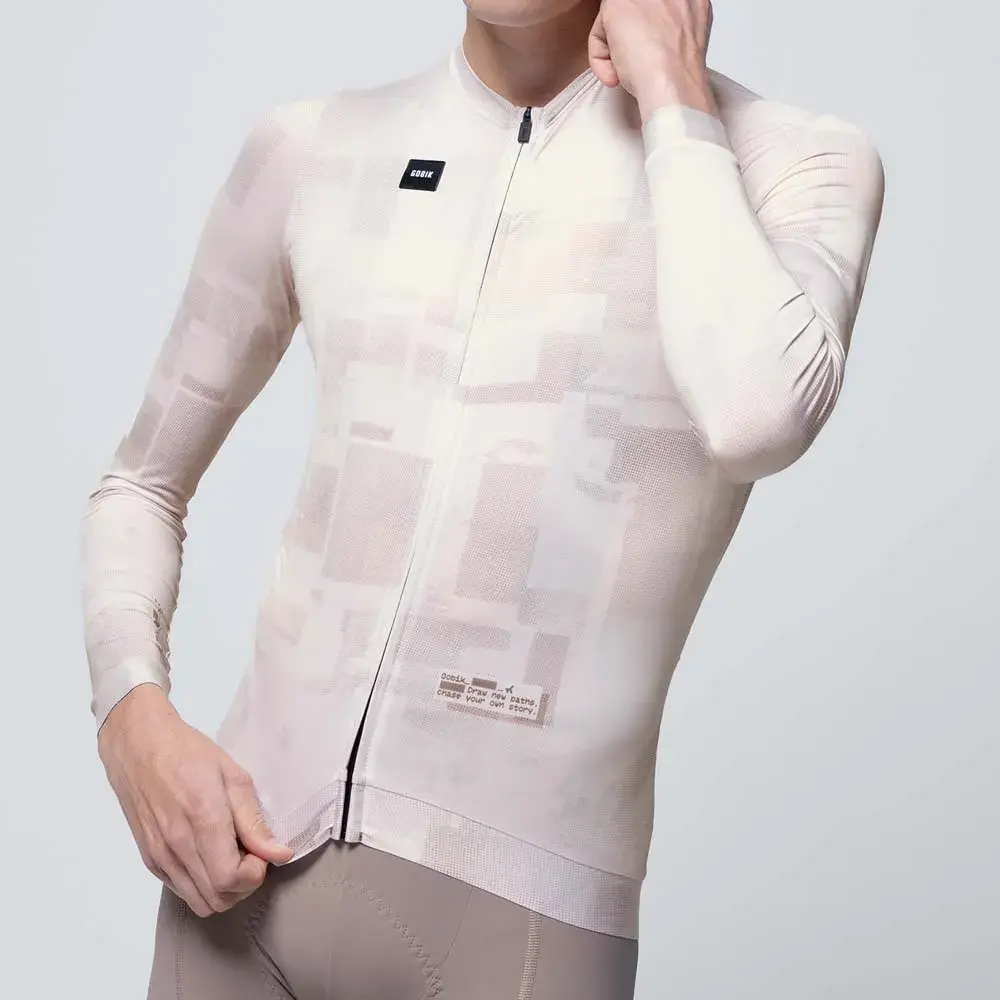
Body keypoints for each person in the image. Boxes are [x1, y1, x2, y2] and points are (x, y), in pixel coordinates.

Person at [79, 0, 885, 996]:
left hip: (520, 925)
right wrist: (132, 717)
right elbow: (141, 483)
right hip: (234, 897)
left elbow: (756, 417)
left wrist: (674, 95)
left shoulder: (791, 164)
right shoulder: (312, 149)